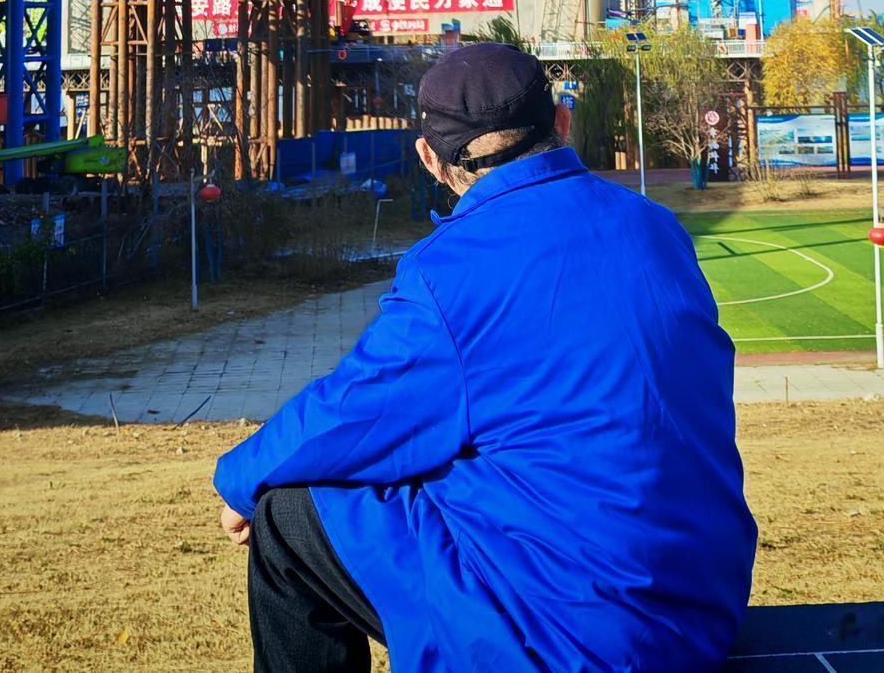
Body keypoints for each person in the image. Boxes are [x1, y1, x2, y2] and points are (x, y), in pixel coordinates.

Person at [215, 43, 756, 672]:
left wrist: (238, 480)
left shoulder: (454, 268)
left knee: (288, 516)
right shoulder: (656, 227)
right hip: (701, 605)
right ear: (563, 121)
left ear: (429, 159)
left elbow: (359, 412)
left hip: (574, 635)